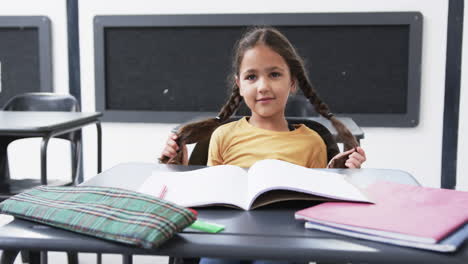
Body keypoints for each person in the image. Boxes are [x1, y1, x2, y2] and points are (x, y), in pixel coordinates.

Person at [159, 26, 366, 264]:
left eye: (275, 74)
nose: (263, 86)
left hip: (285, 243)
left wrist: (344, 176)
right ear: (239, 84)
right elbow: (211, 201)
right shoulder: (222, 136)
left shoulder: (312, 142)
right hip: (227, 240)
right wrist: (177, 167)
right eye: (251, 77)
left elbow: (316, 211)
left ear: (293, 82)